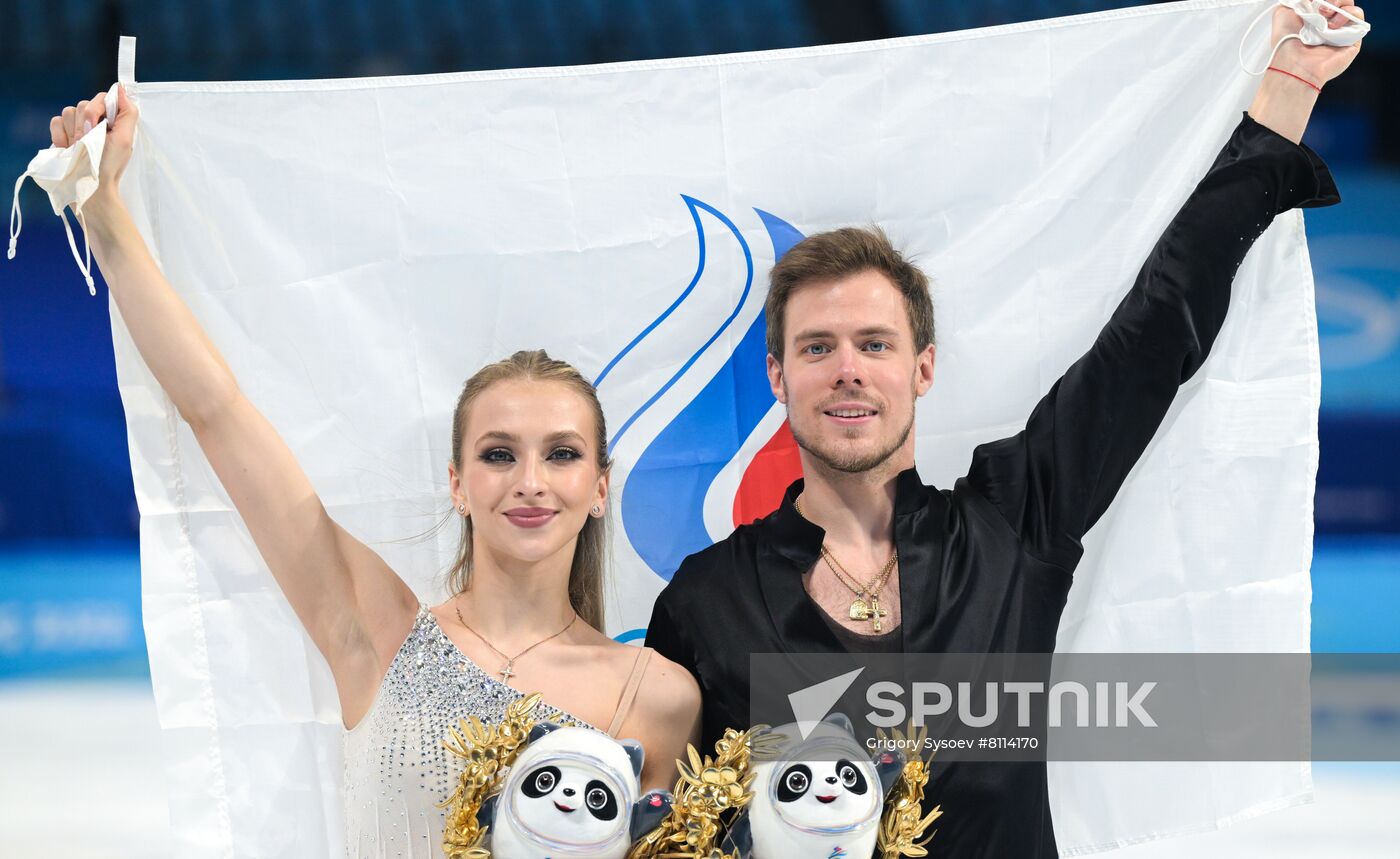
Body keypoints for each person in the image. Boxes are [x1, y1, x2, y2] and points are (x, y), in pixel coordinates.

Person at [644, 3, 1363, 856]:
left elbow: (1154, 332)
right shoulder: (701, 603)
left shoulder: (1008, 528)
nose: (848, 369)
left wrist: (1285, 90)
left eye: (875, 344)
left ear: (923, 369)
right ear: (778, 377)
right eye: (816, 347)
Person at [48, 89, 701, 857]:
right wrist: (102, 212)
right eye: (498, 453)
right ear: (458, 484)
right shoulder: (380, 632)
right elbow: (216, 411)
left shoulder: (657, 694)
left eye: (561, 453)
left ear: (599, 488)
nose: (530, 479)